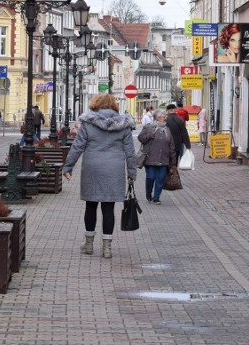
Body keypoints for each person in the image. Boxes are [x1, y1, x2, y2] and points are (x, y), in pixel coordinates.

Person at [62, 93, 137, 259]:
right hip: (114, 169)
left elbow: (77, 147)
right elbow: (130, 152)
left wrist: (68, 167)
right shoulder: (123, 124)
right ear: (114, 105)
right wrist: (132, 173)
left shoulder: (88, 123)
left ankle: (89, 245)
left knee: (91, 205)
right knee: (108, 208)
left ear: (95, 104)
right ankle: (107, 248)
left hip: (92, 167)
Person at [138, 109, 177, 205]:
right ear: (158, 118)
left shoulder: (167, 129)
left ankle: (156, 197)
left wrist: (173, 161)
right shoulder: (149, 127)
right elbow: (140, 138)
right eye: (164, 117)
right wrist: (150, 135)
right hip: (150, 158)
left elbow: (171, 145)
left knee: (160, 179)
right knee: (151, 177)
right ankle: (148, 192)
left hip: (164, 159)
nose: (165, 118)